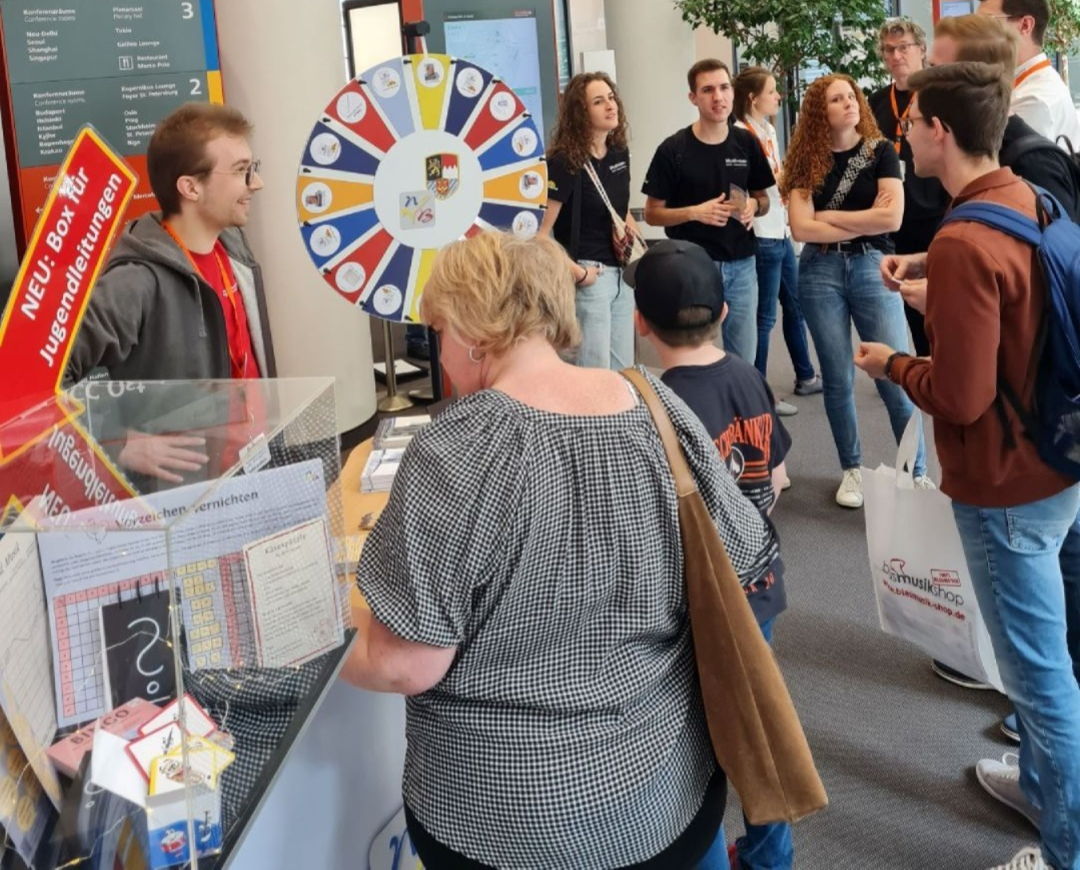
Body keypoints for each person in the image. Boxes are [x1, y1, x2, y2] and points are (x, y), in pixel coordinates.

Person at [342, 230, 782, 869]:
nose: (440, 352)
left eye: (439, 331)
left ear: (473, 329)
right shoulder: (656, 403)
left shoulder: (456, 449)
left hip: (505, 819)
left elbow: (405, 663)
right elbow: (745, 555)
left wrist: (316, 635)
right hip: (664, 791)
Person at [855, 61, 1080, 870]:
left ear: (939, 131)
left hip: (1004, 483)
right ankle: (1046, 790)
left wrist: (889, 364)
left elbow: (959, 395)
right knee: (1057, 661)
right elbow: (1016, 321)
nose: (903, 134)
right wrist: (936, 297)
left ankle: (1064, 850)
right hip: (1059, 460)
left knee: (1037, 680)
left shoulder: (962, 238)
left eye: (910, 122)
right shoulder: (1030, 198)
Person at [630, 238, 794, 870]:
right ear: (726, 312)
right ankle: (768, 854)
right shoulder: (751, 376)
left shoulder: (654, 410)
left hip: (702, 606)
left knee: (699, 741)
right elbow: (776, 477)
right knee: (758, 728)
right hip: (760, 586)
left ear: (641, 322)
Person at [66, 102, 274, 484]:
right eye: (242, 172)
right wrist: (116, 439)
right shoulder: (135, 281)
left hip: (250, 471)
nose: (255, 184)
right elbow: (36, 379)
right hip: (185, 500)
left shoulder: (233, 247)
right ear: (190, 187)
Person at [780, 74, 929, 508]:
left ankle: (916, 471)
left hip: (870, 264)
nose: (847, 104)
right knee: (838, 378)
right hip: (819, 269)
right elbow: (801, 228)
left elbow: (892, 221)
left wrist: (827, 214)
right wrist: (860, 215)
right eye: (835, 99)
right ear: (818, 111)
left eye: (851, 96)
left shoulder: (880, 150)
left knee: (895, 374)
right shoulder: (806, 160)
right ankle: (852, 470)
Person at [643, 59, 775, 364]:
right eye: (708, 90)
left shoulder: (746, 143)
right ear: (693, 98)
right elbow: (652, 214)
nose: (718, 97)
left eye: (724, 87)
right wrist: (694, 212)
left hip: (742, 265)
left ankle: (743, 411)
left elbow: (763, 199)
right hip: (693, 266)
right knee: (693, 357)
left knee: (744, 357)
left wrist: (755, 206)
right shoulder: (673, 149)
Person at [733, 66, 823, 418]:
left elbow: (778, 178)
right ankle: (758, 394)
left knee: (795, 305)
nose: (778, 97)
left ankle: (805, 374)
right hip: (762, 234)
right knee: (765, 316)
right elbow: (750, 188)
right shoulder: (741, 135)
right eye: (772, 91)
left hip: (781, 231)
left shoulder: (767, 129)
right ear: (753, 98)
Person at [542, 71, 640, 369]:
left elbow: (619, 210)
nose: (611, 106)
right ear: (580, 112)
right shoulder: (563, 161)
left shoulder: (619, 152)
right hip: (588, 276)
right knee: (592, 370)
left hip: (622, 276)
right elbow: (541, 234)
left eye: (611, 98)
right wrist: (578, 274)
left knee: (623, 370)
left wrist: (637, 252)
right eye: (599, 101)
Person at [868, 17, 951, 355]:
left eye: (904, 48)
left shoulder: (938, 96)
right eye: (889, 50)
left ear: (922, 50)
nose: (896, 55)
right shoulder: (875, 103)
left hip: (936, 217)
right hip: (895, 224)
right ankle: (925, 370)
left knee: (944, 308)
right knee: (911, 307)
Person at [976, 0, 1080, 147]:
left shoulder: (1034, 101)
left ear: (1025, 25)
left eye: (987, 23)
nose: (976, 34)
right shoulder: (1023, 81)